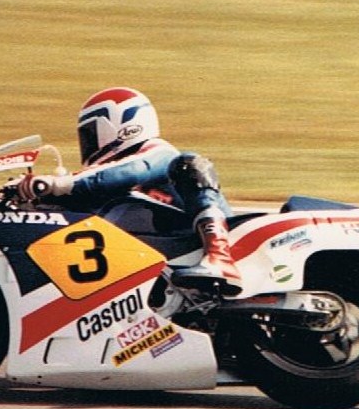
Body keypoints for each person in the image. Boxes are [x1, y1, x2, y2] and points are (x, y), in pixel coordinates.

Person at [14, 86, 242, 296]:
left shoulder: (158, 154)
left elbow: (125, 172)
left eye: (91, 134)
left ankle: (220, 256)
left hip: (224, 240)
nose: (88, 143)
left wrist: (54, 184)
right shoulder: (112, 184)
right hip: (161, 257)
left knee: (189, 164)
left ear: (124, 127)